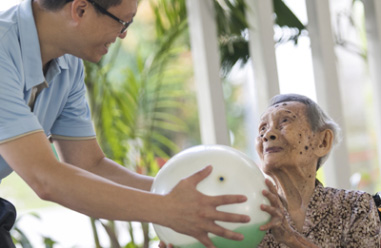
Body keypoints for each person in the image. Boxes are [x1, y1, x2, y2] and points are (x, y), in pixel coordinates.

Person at [0, 0, 251, 247]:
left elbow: (89, 164)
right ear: (80, 9)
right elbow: (46, 178)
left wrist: (193, 199)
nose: (123, 35)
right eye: (122, 22)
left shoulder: (69, 64)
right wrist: (168, 210)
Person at [256, 93, 381, 247]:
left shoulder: (355, 206)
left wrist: (292, 240)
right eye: (263, 128)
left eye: (284, 121)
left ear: (322, 142)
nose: (267, 135)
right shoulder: (249, 214)